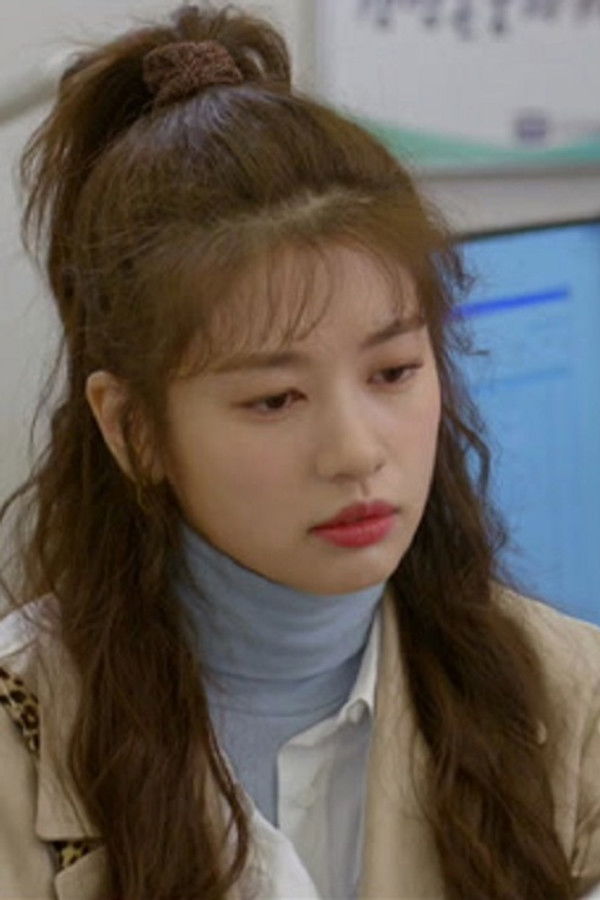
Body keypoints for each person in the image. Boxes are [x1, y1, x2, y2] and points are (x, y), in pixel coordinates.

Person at [0, 3, 598, 899]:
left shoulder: (568, 698)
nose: (356, 453)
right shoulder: (20, 742)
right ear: (133, 430)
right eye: (274, 399)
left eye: (394, 372)